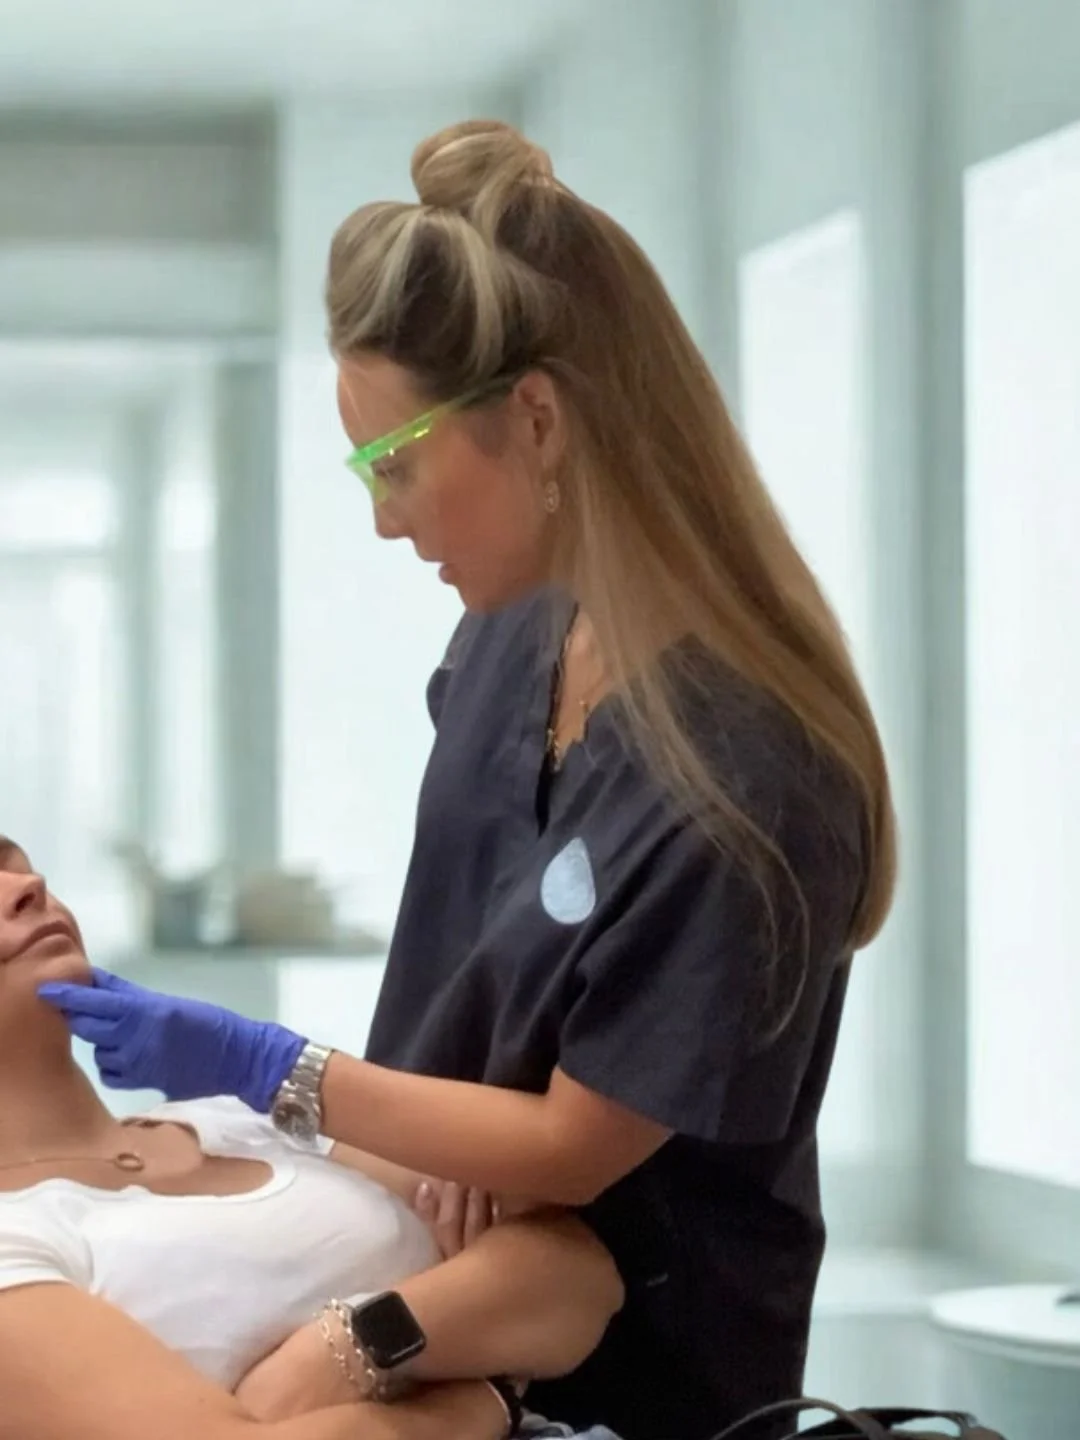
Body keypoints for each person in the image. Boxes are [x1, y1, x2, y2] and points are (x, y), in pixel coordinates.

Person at [41, 119, 897, 1440]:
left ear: (539, 420)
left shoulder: (751, 776)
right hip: (431, 1281)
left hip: (637, 1367)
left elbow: (570, 1152)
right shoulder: (511, 639)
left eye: (397, 465)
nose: (387, 519)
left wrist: (269, 1066)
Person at [0, 836, 624, 1440]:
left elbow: (576, 1275)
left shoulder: (241, 1116)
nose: (29, 885)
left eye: (12, 861)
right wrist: (479, 1399)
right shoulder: (14, 1239)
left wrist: (349, 1345)